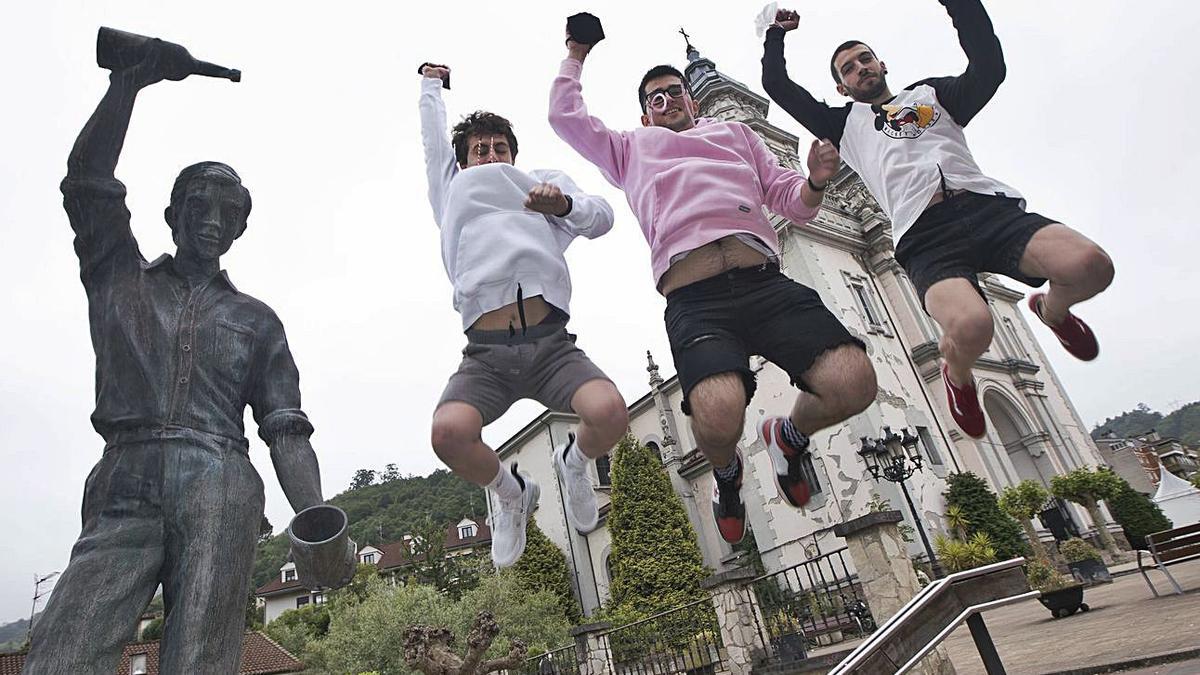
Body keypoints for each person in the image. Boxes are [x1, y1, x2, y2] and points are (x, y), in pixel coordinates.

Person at [25, 38, 331, 674]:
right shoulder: (119, 277)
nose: (212, 221)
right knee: (59, 656)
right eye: (199, 206)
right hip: (124, 474)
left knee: (199, 661)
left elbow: (285, 427)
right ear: (171, 214)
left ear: (241, 228)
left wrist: (313, 515)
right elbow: (86, 184)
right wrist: (127, 86)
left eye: (228, 212)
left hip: (220, 480)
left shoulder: (258, 321)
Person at [548, 32, 877, 545]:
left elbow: (790, 201)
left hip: (764, 283)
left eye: (675, 91)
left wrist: (813, 180)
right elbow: (565, 118)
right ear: (644, 116)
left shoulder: (736, 137)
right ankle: (728, 475)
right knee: (719, 416)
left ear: (692, 101)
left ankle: (789, 436)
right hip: (697, 302)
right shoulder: (630, 149)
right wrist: (576, 53)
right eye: (654, 98)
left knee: (855, 382)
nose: (667, 100)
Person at [761, 2, 1114, 438]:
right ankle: (958, 374)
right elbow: (776, 84)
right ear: (842, 88)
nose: (860, 69)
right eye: (848, 69)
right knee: (972, 325)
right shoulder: (843, 124)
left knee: (1092, 265)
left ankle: (1053, 310)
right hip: (926, 236)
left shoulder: (932, 95)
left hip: (988, 210)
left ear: (882, 63)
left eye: (864, 59)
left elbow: (989, 63)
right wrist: (776, 34)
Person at [419, 63, 628, 568]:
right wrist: (429, 86)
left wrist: (563, 207)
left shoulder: (540, 185)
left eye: (500, 148)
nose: (491, 156)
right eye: (480, 149)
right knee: (448, 433)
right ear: (464, 161)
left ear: (514, 155)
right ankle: (509, 491)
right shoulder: (451, 192)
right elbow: (432, 144)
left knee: (610, 413)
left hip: (551, 345)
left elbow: (602, 215)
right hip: (487, 355)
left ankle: (574, 462)